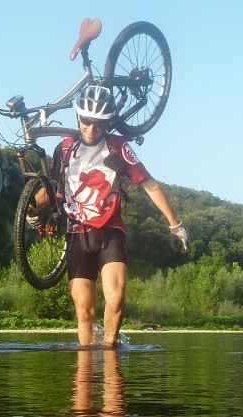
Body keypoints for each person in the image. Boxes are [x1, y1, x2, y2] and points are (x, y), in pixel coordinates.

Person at [41, 85, 188, 347]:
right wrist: (30, 207)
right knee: (85, 312)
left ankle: (110, 352)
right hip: (77, 234)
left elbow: (150, 185)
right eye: (86, 121)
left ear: (107, 123)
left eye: (99, 123)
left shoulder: (119, 148)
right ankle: (86, 367)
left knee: (116, 298)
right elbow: (51, 189)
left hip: (110, 232)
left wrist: (175, 226)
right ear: (78, 117)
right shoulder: (64, 149)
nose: (91, 128)